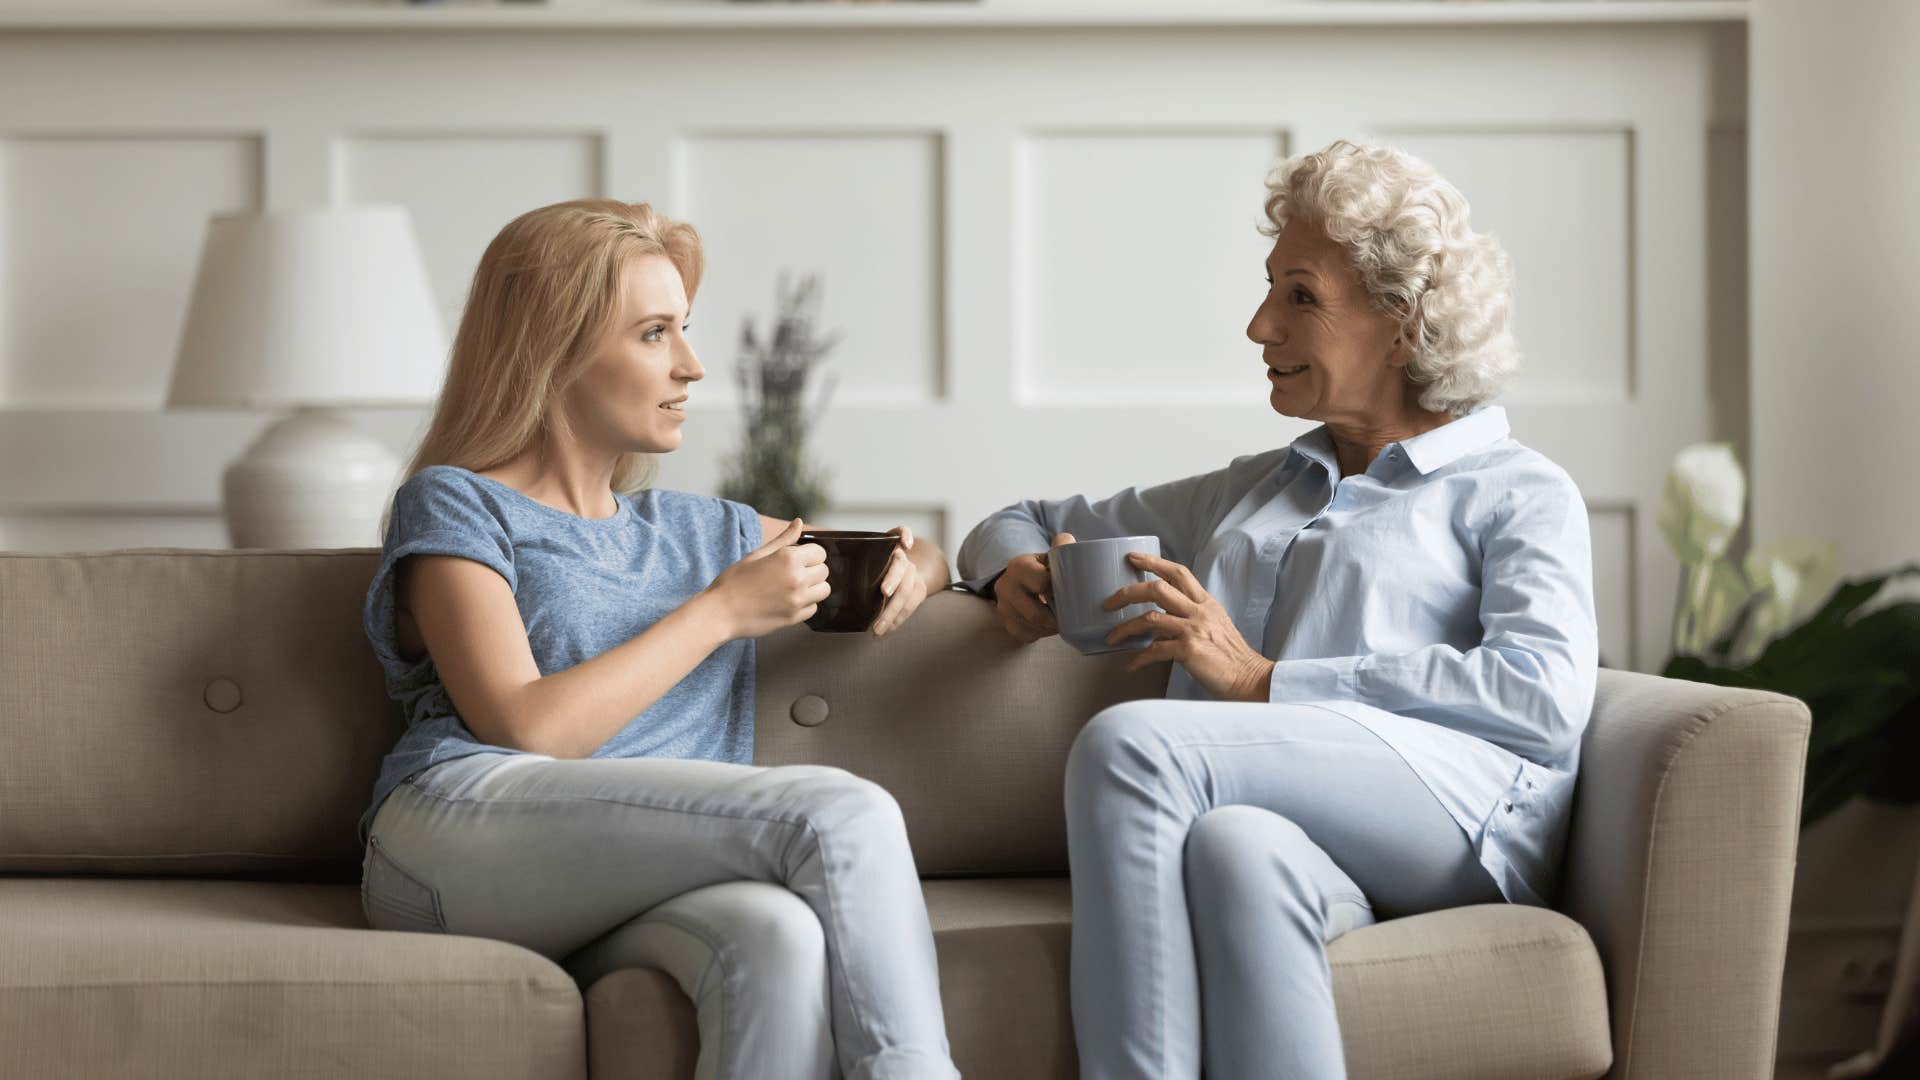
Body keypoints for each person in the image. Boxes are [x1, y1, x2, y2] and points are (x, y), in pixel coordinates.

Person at [956, 141, 1598, 1080]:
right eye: (1269, 290)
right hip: (1284, 820)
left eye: (1300, 296)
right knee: (1236, 851)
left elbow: (1541, 697)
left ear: (1402, 321)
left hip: (1467, 819)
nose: (1261, 326)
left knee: (1133, 745)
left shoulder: (1516, 489)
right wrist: (1009, 567)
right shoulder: (1257, 490)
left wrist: (1265, 680)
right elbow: (1025, 519)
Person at [358, 199, 960, 1080]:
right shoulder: (456, 502)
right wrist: (718, 612)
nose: (692, 365)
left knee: (779, 938)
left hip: (627, 874)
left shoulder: (699, 529)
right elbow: (528, 728)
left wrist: (926, 562)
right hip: (454, 835)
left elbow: (904, 554)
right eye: (653, 334)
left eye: (685, 329)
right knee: (843, 813)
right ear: (551, 351)